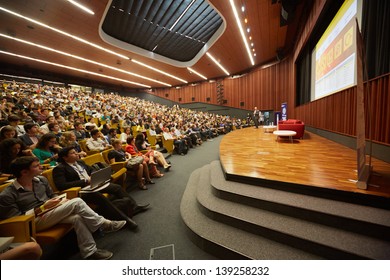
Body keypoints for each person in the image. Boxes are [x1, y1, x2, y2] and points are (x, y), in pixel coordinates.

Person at [0, 156, 126, 260]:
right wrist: (41, 208)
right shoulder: (8, 194)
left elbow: (52, 195)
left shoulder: (41, 180)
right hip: (33, 222)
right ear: (24, 172)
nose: (41, 166)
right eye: (36, 166)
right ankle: (104, 224)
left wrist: (60, 200)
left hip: (51, 212)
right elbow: (15, 219)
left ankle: (90, 252)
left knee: (77, 217)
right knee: (76, 202)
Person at [53, 147, 149, 228]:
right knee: (100, 197)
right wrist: (85, 181)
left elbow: (91, 170)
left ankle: (134, 207)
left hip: (93, 184)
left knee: (116, 187)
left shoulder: (80, 162)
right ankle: (125, 220)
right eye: (73, 153)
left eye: (75, 151)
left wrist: (96, 175)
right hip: (81, 191)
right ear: (65, 157)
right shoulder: (60, 169)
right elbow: (62, 186)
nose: (76, 153)